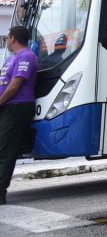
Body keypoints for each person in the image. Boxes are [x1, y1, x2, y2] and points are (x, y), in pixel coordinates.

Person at [0, 26, 38, 206]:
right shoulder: (12, 58)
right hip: (7, 107)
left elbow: (15, 85)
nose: (6, 41)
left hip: (17, 107)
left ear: (13, 38)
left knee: (6, 151)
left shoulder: (26, 56)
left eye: (7, 37)